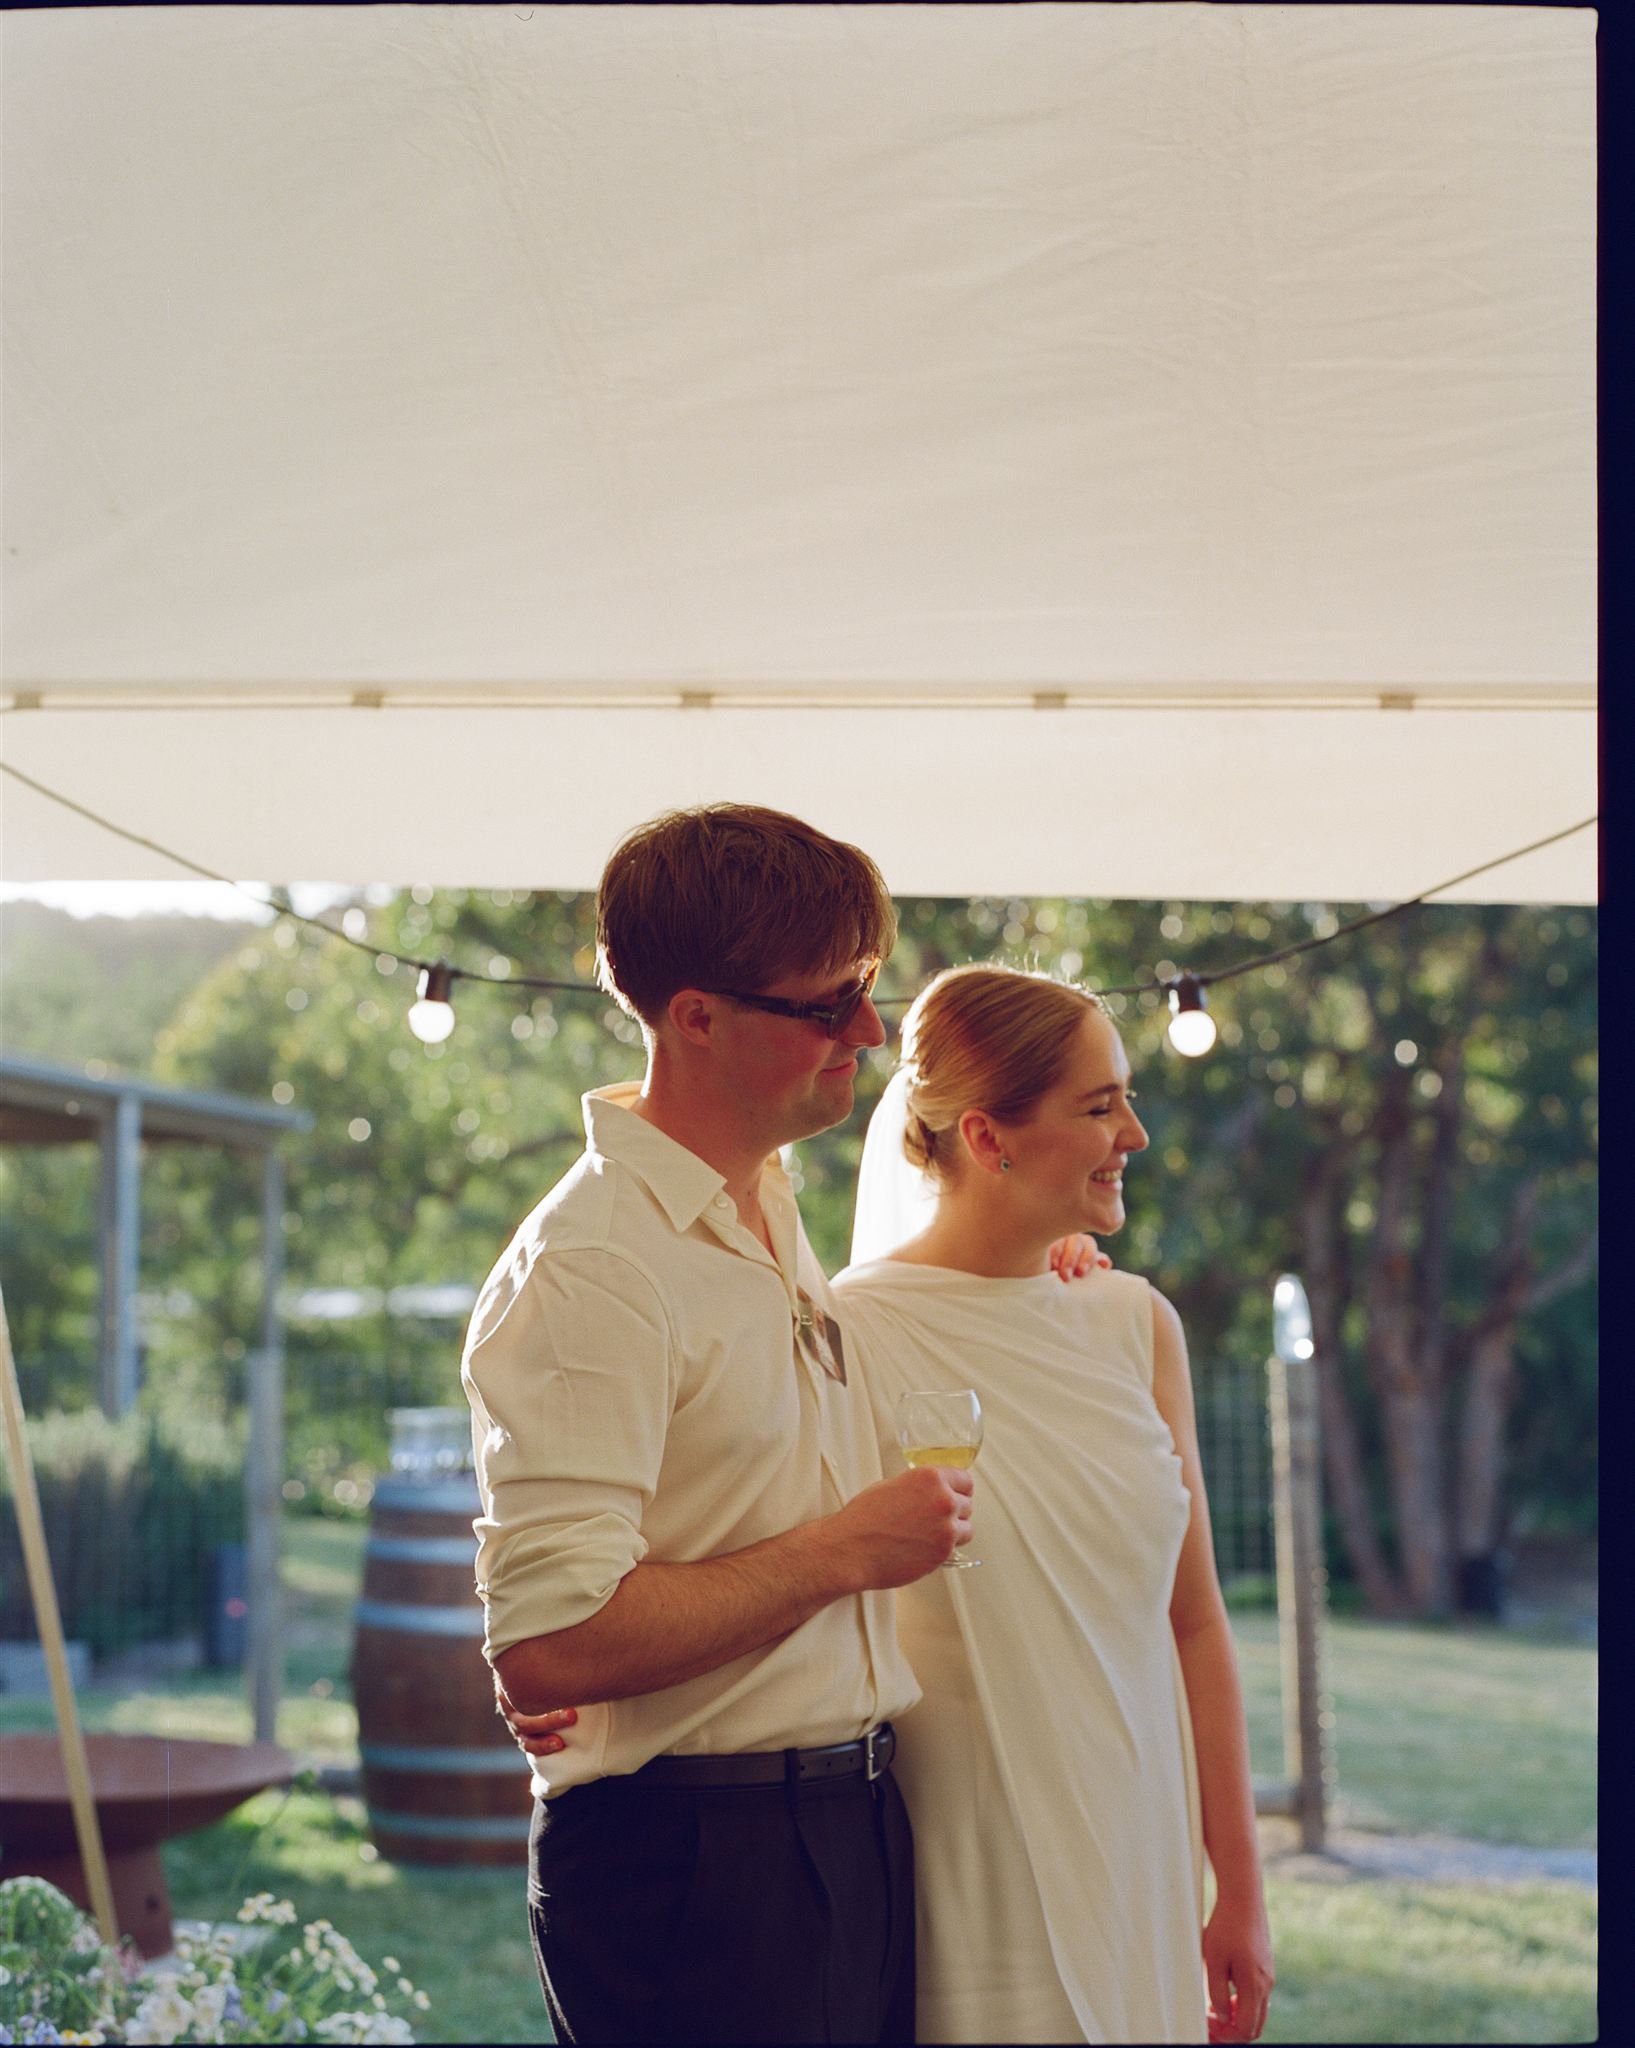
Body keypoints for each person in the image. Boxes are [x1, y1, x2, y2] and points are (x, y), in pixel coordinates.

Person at [460, 803, 973, 2046]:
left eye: (867, 986)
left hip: (848, 1828)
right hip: (693, 1860)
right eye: (825, 1003)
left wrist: (1056, 1250)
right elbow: (554, 1644)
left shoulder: (766, 1198)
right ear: (694, 1014)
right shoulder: (592, 1265)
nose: (869, 1028)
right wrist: (849, 1551)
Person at [833, 963, 1276, 2045]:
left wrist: (1242, 1888)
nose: (1135, 1132)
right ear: (989, 1137)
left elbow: (1195, 1621)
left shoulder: (1136, 1322)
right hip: (973, 1868)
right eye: (1099, 1104)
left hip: (1145, 1849)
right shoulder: (849, 1333)